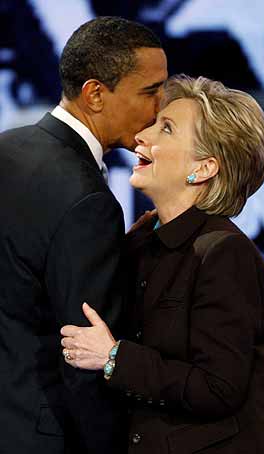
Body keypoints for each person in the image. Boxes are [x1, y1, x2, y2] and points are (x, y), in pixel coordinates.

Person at [61, 75, 264, 454]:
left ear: (203, 168)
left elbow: (218, 388)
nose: (143, 135)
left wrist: (113, 358)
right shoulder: (143, 239)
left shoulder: (225, 254)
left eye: (166, 129)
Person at [0, 16, 167, 454]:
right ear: (95, 94)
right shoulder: (86, 199)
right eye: (150, 92)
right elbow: (84, 357)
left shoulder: (9, 147)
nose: (160, 107)